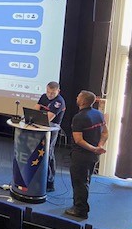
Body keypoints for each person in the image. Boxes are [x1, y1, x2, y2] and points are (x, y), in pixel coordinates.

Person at [65, 90, 108, 219]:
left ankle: (80, 210)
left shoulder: (79, 118)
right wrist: (99, 146)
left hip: (81, 156)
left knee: (79, 182)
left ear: (83, 101)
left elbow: (78, 140)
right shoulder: (99, 114)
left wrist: (94, 149)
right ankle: (79, 205)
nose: (76, 97)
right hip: (93, 156)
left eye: (79, 96)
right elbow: (105, 133)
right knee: (85, 181)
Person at [35, 81, 66, 192]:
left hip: (51, 130)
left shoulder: (59, 101)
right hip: (39, 128)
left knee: (49, 153)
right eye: (48, 92)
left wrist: (36, 118)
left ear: (58, 91)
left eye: (52, 93)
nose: (49, 95)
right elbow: (35, 111)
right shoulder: (43, 97)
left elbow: (48, 118)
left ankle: (50, 181)